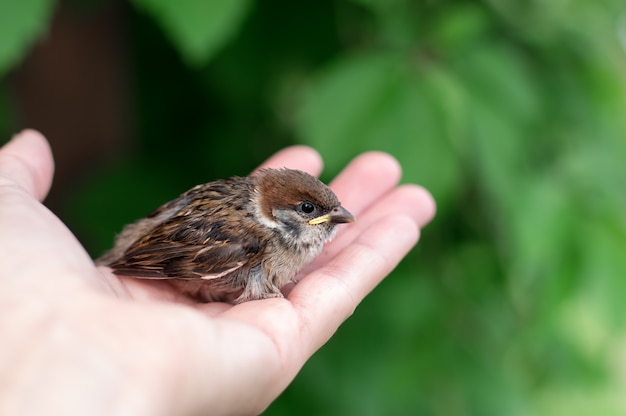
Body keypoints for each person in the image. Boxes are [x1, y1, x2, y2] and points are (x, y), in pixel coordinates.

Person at [0, 129, 435, 415]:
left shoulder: (260, 214)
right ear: (275, 212)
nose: (332, 217)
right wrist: (113, 271)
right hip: (158, 252)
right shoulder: (244, 237)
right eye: (309, 211)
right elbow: (172, 247)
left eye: (326, 210)